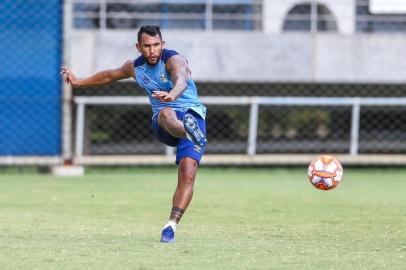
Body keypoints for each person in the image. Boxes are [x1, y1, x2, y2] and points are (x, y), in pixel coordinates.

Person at [61, 25, 207, 243]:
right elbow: (110, 75)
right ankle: (188, 133)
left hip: (192, 114)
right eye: (147, 46)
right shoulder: (135, 68)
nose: (152, 50)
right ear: (139, 47)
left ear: (163, 44)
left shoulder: (174, 60)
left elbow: (181, 80)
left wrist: (171, 94)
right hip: (165, 122)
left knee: (188, 170)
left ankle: (171, 225)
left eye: (156, 45)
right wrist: (79, 81)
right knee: (166, 112)